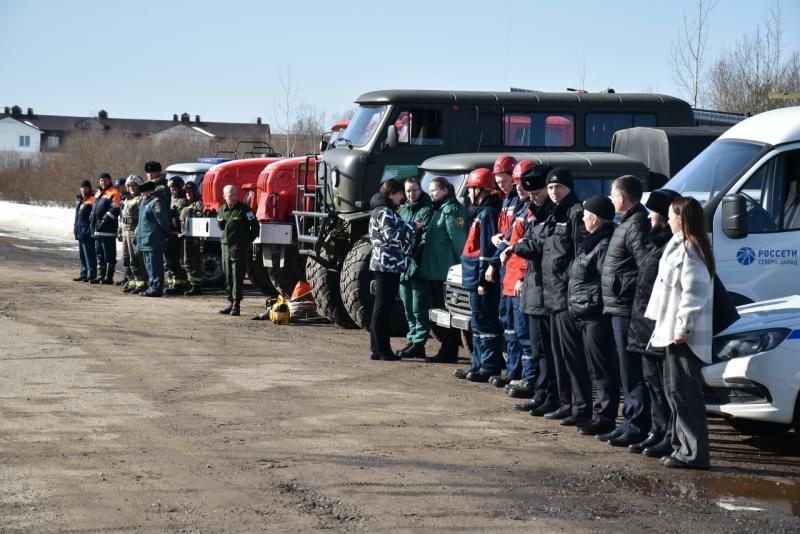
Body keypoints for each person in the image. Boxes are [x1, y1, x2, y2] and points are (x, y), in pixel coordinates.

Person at [645, 196, 714, 470]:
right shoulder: (678, 246)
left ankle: (694, 454)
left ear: (682, 219)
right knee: (675, 392)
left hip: (683, 335)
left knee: (685, 394)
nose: (668, 218)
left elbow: (694, 293)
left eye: (672, 215)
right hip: (671, 331)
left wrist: (684, 327)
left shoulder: (690, 249)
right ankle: (681, 448)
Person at [626, 189, 680, 457]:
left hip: (658, 328)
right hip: (644, 327)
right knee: (652, 384)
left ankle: (669, 436)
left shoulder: (672, 247)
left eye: (653, 213)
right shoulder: (656, 244)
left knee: (663, 386)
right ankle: (657, 431)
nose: (648, 217)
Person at [599, 175, 651, 446]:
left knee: (632, 370)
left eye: (612, 193)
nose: (610, 198)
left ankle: (637, 424)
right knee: (625, 369)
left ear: (622, 197)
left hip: (627, 307)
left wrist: (623, 287)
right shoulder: (627, 222)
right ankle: (629, 420)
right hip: (618, 306)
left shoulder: (636, 224)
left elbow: (645, 266)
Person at [504, 165, 558, 413]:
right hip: (535, 288)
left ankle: (549, 396)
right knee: (538, 348)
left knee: (544, 349)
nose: (532, 197)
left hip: (545, 290)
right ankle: (542, 394)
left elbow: (537, 248)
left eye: (536, 192)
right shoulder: (535, 211)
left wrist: (520, 247)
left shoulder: (551, 214)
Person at [539, 168, 589, 425]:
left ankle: (580, 407)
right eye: (550, 187)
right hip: (551, 294)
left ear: (569, 187)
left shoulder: (575, 212)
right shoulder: (553, 212)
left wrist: (571, 287)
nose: (553, 191)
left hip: (566, 294)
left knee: (572, 355)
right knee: (558, 354)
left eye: (558, 187)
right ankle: (565, 402)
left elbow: (578, 255)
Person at [567, 195, 620, 433]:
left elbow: (605, 281)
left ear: (595, 219)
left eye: (586, 215)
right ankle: (595, 413)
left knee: (602, 368)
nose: (582, 219)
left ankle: (605, 417)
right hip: (584, 312)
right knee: (592, 366)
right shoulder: (591, 242)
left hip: (595, 313)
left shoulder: (604, 244)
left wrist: (594, 304)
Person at [453, 168, 504, 382]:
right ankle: (477, 364)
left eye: (471, 189)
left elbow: (486, 250)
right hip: (474, 277)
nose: (468, 194)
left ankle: (488, 366)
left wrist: (483, 279)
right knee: (477, 324)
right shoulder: (482, 212)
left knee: (485, 323)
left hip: (481, 279)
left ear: (480, 190)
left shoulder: (488, 213)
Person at [488, 160, 535, 389]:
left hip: (519, 275)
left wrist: (521, 276)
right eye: (513, 183)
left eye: (518, 182)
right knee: (510, 327)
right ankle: (515, 371)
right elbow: (510, 237)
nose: (516, 187)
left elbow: (527, 246)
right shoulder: (515, 204)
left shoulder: (529, 209)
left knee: (523, 332)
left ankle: (527, 378)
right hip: (509, 272)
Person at [367, 178, 421, 360]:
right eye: (400, 194)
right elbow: (391, 236)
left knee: (381, 307)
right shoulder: (385, 212)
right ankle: (383, 349)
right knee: (383, 308)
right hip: (387, 265)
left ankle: (376, 348)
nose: (402, 198)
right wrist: (412, 226)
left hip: (384, 264)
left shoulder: (379, 210)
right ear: (391, 194)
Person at [417, 177, 469, 363]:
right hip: (434, 271)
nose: (431, 194)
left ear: (445, 190)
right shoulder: (437, 211)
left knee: (448, 314)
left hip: (446, 272)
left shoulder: (452, 211)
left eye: (434, 190)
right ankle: (447, 348)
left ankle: (449, 350)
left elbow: (459, 241)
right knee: (439, 314)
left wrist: (465, 268)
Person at [484, 155, 520, 386]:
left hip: (514, 266)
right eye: (497, 181)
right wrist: (496, 237)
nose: (500, 185)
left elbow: (513, 237)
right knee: (507, 321)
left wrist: (493, 262)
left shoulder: (518, 201)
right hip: (506, 267)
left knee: (517, 327)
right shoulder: (506, 200)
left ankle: (517, 372)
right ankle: (512, 369)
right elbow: (504, 233)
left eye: (504, 181)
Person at [396, 177, 433, 358]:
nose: (412, 194)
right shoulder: (403, 211)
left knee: (419, 306)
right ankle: (412, 339)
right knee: (407, 306)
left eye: (415, 190)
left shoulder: (426, 210)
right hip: (404, 265)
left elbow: (424, 238)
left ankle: (419, 342)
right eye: (409, 191)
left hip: (418, 265)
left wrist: (414, 259)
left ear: (421, 189)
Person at [217, 184, 259, 316]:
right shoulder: (221, 210)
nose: (234, 197)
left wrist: (247, 241)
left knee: (237, 275)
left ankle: (236, 304)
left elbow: (255, 228)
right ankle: (230, 302)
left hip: (238, 246)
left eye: (235, 194)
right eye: (231, 195)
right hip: (225, 246)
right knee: (228, 273)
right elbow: (221, 225)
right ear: (224, 197)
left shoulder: (245, 210)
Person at [136, 180, 169, 297]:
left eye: (143, 192)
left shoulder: (156, 202)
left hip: (154, 240)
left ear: (148, 192)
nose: (141, 194)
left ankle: (156, 288)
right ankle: (152, 287)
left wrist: (166, 235)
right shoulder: (145, 202)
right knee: (149, 266)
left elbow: (163, 221)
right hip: (145, 240)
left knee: (155, 266)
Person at [89, 172, 122, 285]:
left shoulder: (114, 192)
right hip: (97, 229)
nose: (103, 182)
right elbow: (94, 210)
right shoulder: (98, 193)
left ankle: (109, 277)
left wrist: (104, 220)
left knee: (109, 253)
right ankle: (101, 276)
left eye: (105, 180)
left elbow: (115, 209)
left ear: (110, 181)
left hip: (108, 229)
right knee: (99, 253)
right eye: (101, 180)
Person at [119, 175, 148, 294]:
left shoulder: (140, 199)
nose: (131, 187)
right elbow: (121, 217)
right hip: (125, 234)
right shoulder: (126, 199)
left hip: (134, 234)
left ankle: (141, 283)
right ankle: (132, 282)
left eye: (134, 185)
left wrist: (138, 232)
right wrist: (119, 231)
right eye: (129, 185)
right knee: (126, 259)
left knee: (136, 259)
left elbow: (142, 218)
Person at [164, 176, 189, 295]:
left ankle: (179, 284)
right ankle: (171, 283)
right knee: (169, 261)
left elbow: (179, 220)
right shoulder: (170, 199)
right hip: (169, 234)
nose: (172, 191)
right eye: (170, 188)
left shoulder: (182, 201)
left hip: (177, 235)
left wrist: (170, 215)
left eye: (174, 189)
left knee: (176, 260)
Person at [180, 181, 205, 296]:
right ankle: (191, 283)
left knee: (193, 261)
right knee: (186, 261)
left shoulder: (199, 203)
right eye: (186, 191)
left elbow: (201, 220)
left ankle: (197, 286)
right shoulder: (185, 203)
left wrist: (198, 238)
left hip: (194, 238)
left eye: (190, 191)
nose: (188, 193)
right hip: (185, 236)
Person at [73, 180, 96, 282]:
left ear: (89, 189)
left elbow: (93, 217)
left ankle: (91, 274)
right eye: (82, 187)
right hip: (79, 230)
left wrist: (89, 229)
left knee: (89, 254)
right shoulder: (80, 200)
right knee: (82, 255)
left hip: (87, 231)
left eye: (86, 188)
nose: (84, 189)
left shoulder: (92, 200)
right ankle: (83, 273)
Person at [114, 176, 131, 288]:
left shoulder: (131, 197)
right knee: (125, 256)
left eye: (120, 187)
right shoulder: (123, 198)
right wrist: (119, 230)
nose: (118, 189)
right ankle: (126, 277)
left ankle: (130, 278)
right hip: (124, 231)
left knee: (131, 257)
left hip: (132, 232)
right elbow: (121, 217)